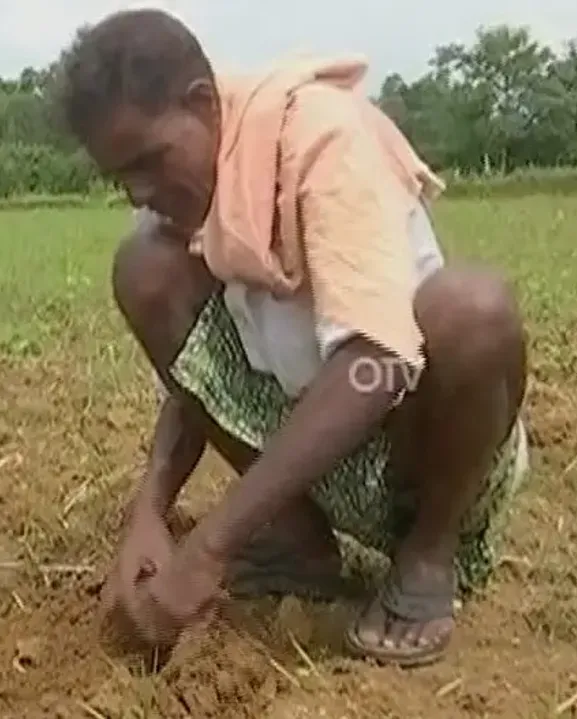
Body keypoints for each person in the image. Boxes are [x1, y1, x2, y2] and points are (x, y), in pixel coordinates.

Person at [53, 8, 530, 668]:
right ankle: (298, 540)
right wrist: (150, 509)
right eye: (120, 177)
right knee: (145, 265)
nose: (139, 190)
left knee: (472, 310)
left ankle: (428, 551)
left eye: (149, 161)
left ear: (202, 103)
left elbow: (378, 361)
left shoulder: (320, 141)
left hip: (421, 450)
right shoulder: (208, 177)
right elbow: (204, 370)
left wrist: (209, 547)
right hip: (312, 444)